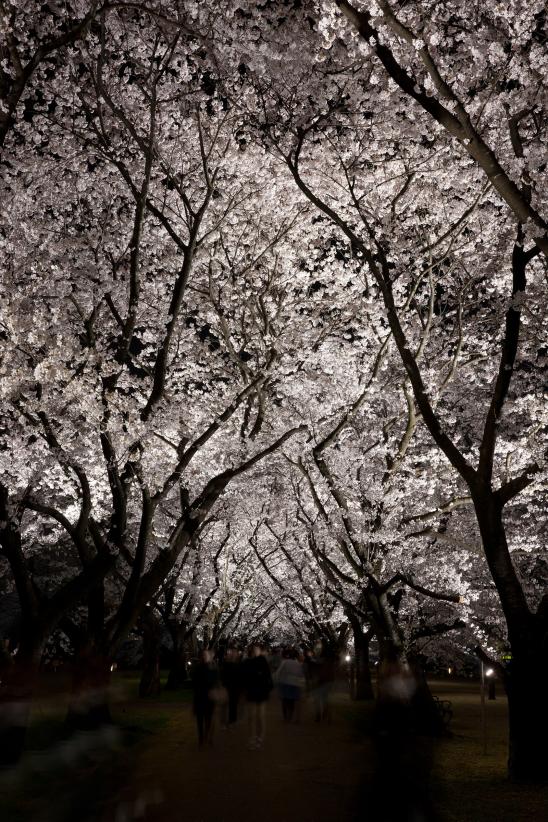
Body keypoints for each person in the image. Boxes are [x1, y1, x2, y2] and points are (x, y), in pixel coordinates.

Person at [241, 644, 273, 749]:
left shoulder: (263, 661)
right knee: (252, 716)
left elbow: (268, 676)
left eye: (257, 650)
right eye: (254, 650)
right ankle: (252, 737)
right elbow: (244, 677)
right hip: (252, 691)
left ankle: (260, 737)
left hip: (261, 692)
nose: (255, 651)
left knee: (260, 716)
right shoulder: (247, 662)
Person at [191, 649, 220, 746]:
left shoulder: (213, 669)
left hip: (209, 697)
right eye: (203, 655)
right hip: (200, 697)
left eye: (206, 655)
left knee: (208, 719)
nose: (204, 657)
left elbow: (215, 682)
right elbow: (194, 682)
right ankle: (201, 738)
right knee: (200, 719)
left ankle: (207, 736)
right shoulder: (198, 668)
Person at [275, 648, 306, 722]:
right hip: (295, 684)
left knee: (285, 700)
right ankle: (290, 716)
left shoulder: (285, 662)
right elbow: (301, 674)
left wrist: (278, 680)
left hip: (285, 683)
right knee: (292, 701)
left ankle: (285, 717)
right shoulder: (298, 664)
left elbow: (278, 672)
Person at [220, 647, 242, 727]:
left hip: (235, 688)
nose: (233, 654)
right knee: (225, 705)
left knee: (233, 705)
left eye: (234, 653)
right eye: (231, 653)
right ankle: (225, 721)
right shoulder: (226, 664)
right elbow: (222, 675)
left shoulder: (238, 664)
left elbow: (240, 677)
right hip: (227, 687)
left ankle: (232, 720)